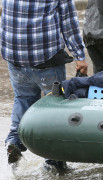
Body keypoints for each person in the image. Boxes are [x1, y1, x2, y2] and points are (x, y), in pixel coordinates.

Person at [1, 0, 88, 169]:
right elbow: (68, 23)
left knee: (23, 98)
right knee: (54, 107)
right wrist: (80, 56)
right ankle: (54, 161)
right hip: (46, 59)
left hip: (15, 56)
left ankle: (14, 141)